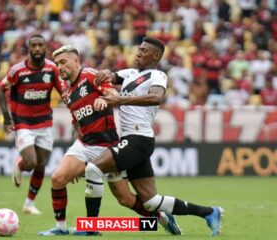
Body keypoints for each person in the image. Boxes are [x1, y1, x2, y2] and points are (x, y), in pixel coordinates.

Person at [85, 37, 225, 237]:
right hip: (134, 140)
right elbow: (112, 76)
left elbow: (156, 97)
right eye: (139, 49)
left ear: (156, 56)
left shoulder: (157, 75)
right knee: (150, 201)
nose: (139, 53)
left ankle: (90, 230)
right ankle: (209, 212)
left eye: (144, 50)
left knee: (93, 169)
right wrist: (106, 73)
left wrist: (120, 99)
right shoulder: (130, 73)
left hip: (138, 138)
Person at [38, 45, 181, 236]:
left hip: (107, 146)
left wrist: (105, 100)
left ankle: (161, 217)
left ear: (75, 61)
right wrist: (78, 156)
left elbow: (113, 94)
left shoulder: (91, 75)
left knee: (125, 199)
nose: (60, 67)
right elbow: (77, 121)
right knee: (57, 178)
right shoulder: (65, 90)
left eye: (63, 62)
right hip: (84, 143)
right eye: (57, 64)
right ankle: (61, 228)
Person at [0, 34, 64, 215]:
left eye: (40, 45)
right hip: (23, 123)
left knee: (41, 165)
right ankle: (20, 165)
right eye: (33, 45)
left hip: (45, 123)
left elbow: (64, 93)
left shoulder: (52, 69)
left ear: (45, 48)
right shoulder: (17, 70)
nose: (37, 49)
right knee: (31, 162)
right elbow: (0, 90)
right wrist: (6, 117)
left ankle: (28, 203)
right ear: (29, 49)